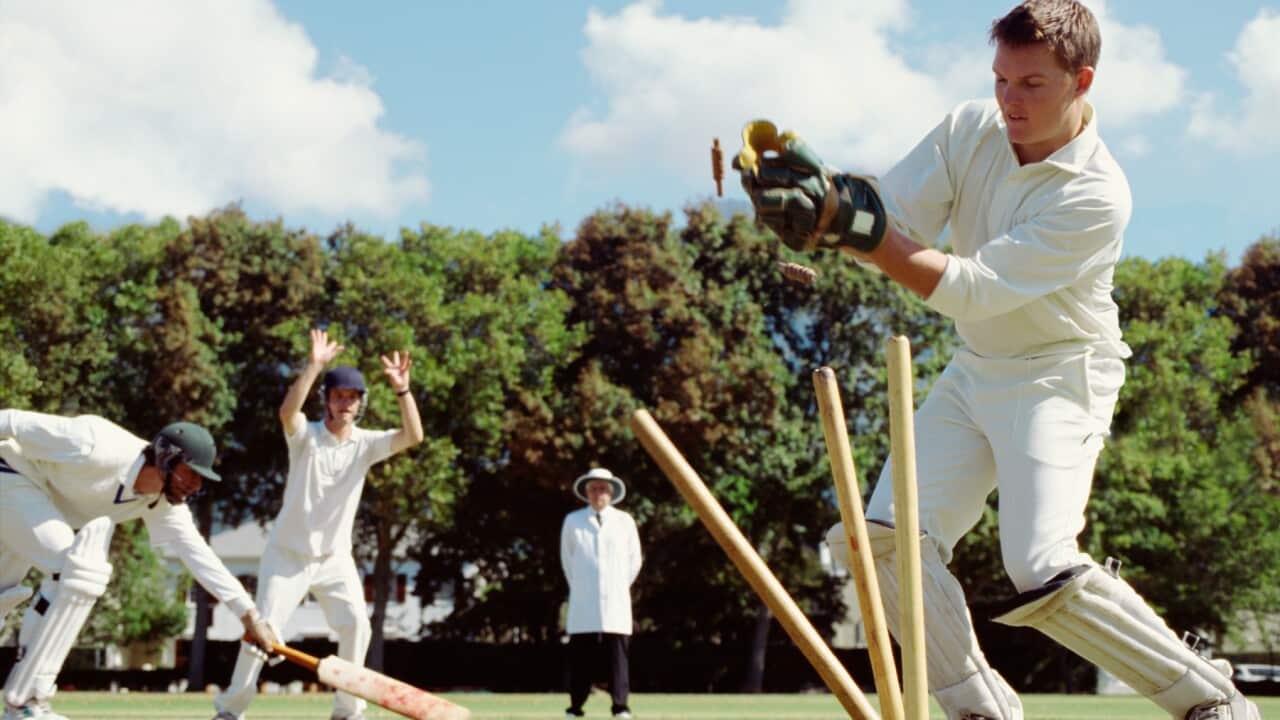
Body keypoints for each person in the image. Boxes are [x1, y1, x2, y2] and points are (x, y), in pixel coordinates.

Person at [734, 1, 1260, 718]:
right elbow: (896, 219)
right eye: (1001, 80)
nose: (1009, 100)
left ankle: (1210, 699)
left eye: (1032, 85)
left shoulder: (1097, 194)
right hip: (977, 367)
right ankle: (979, 707)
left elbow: (969, 289)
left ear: (1083, 81)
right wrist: (831, 210)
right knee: (879, 541)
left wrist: (854, 229)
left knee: (1040, 564)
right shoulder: (970, 127)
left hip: (1060, 375)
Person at [0, 412, 278, 720]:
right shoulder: (95, 443)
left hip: (32, 509)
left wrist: (249, 615)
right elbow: (11, 421)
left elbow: (200, 557)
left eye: (201, 480)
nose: (194, 486)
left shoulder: (161, 503)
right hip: (11, 476)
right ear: (165, 457)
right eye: (191, 473)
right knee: (79, 569)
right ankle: (26, 703)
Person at [211, 328, 424, 720]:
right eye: (339, 396)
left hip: (334, 559)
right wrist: (314, 366)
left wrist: (402, 390)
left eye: (353, 398)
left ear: (361, 404)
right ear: (326, 399)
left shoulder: (365, 444)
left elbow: (414, 435)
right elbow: (286, 412)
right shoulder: (305, 437)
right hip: (288, 555)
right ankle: (229, 711)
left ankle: (347, 712)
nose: (346, 404)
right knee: (263, 633)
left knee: (357, 626)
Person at [560, 468, 643, 720]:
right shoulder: (573, 521)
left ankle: (620, 707)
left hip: (616, 600)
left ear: (612, 493)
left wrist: (617, 585)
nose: (599, 494)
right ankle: (575, 707)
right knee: (581, 657)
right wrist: (585, 586)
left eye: (603, 489)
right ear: (587, 492)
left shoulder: (624, 521)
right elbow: (568, 560)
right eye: (594, 489)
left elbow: (634, 560)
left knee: (618, 657)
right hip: (584, 600)